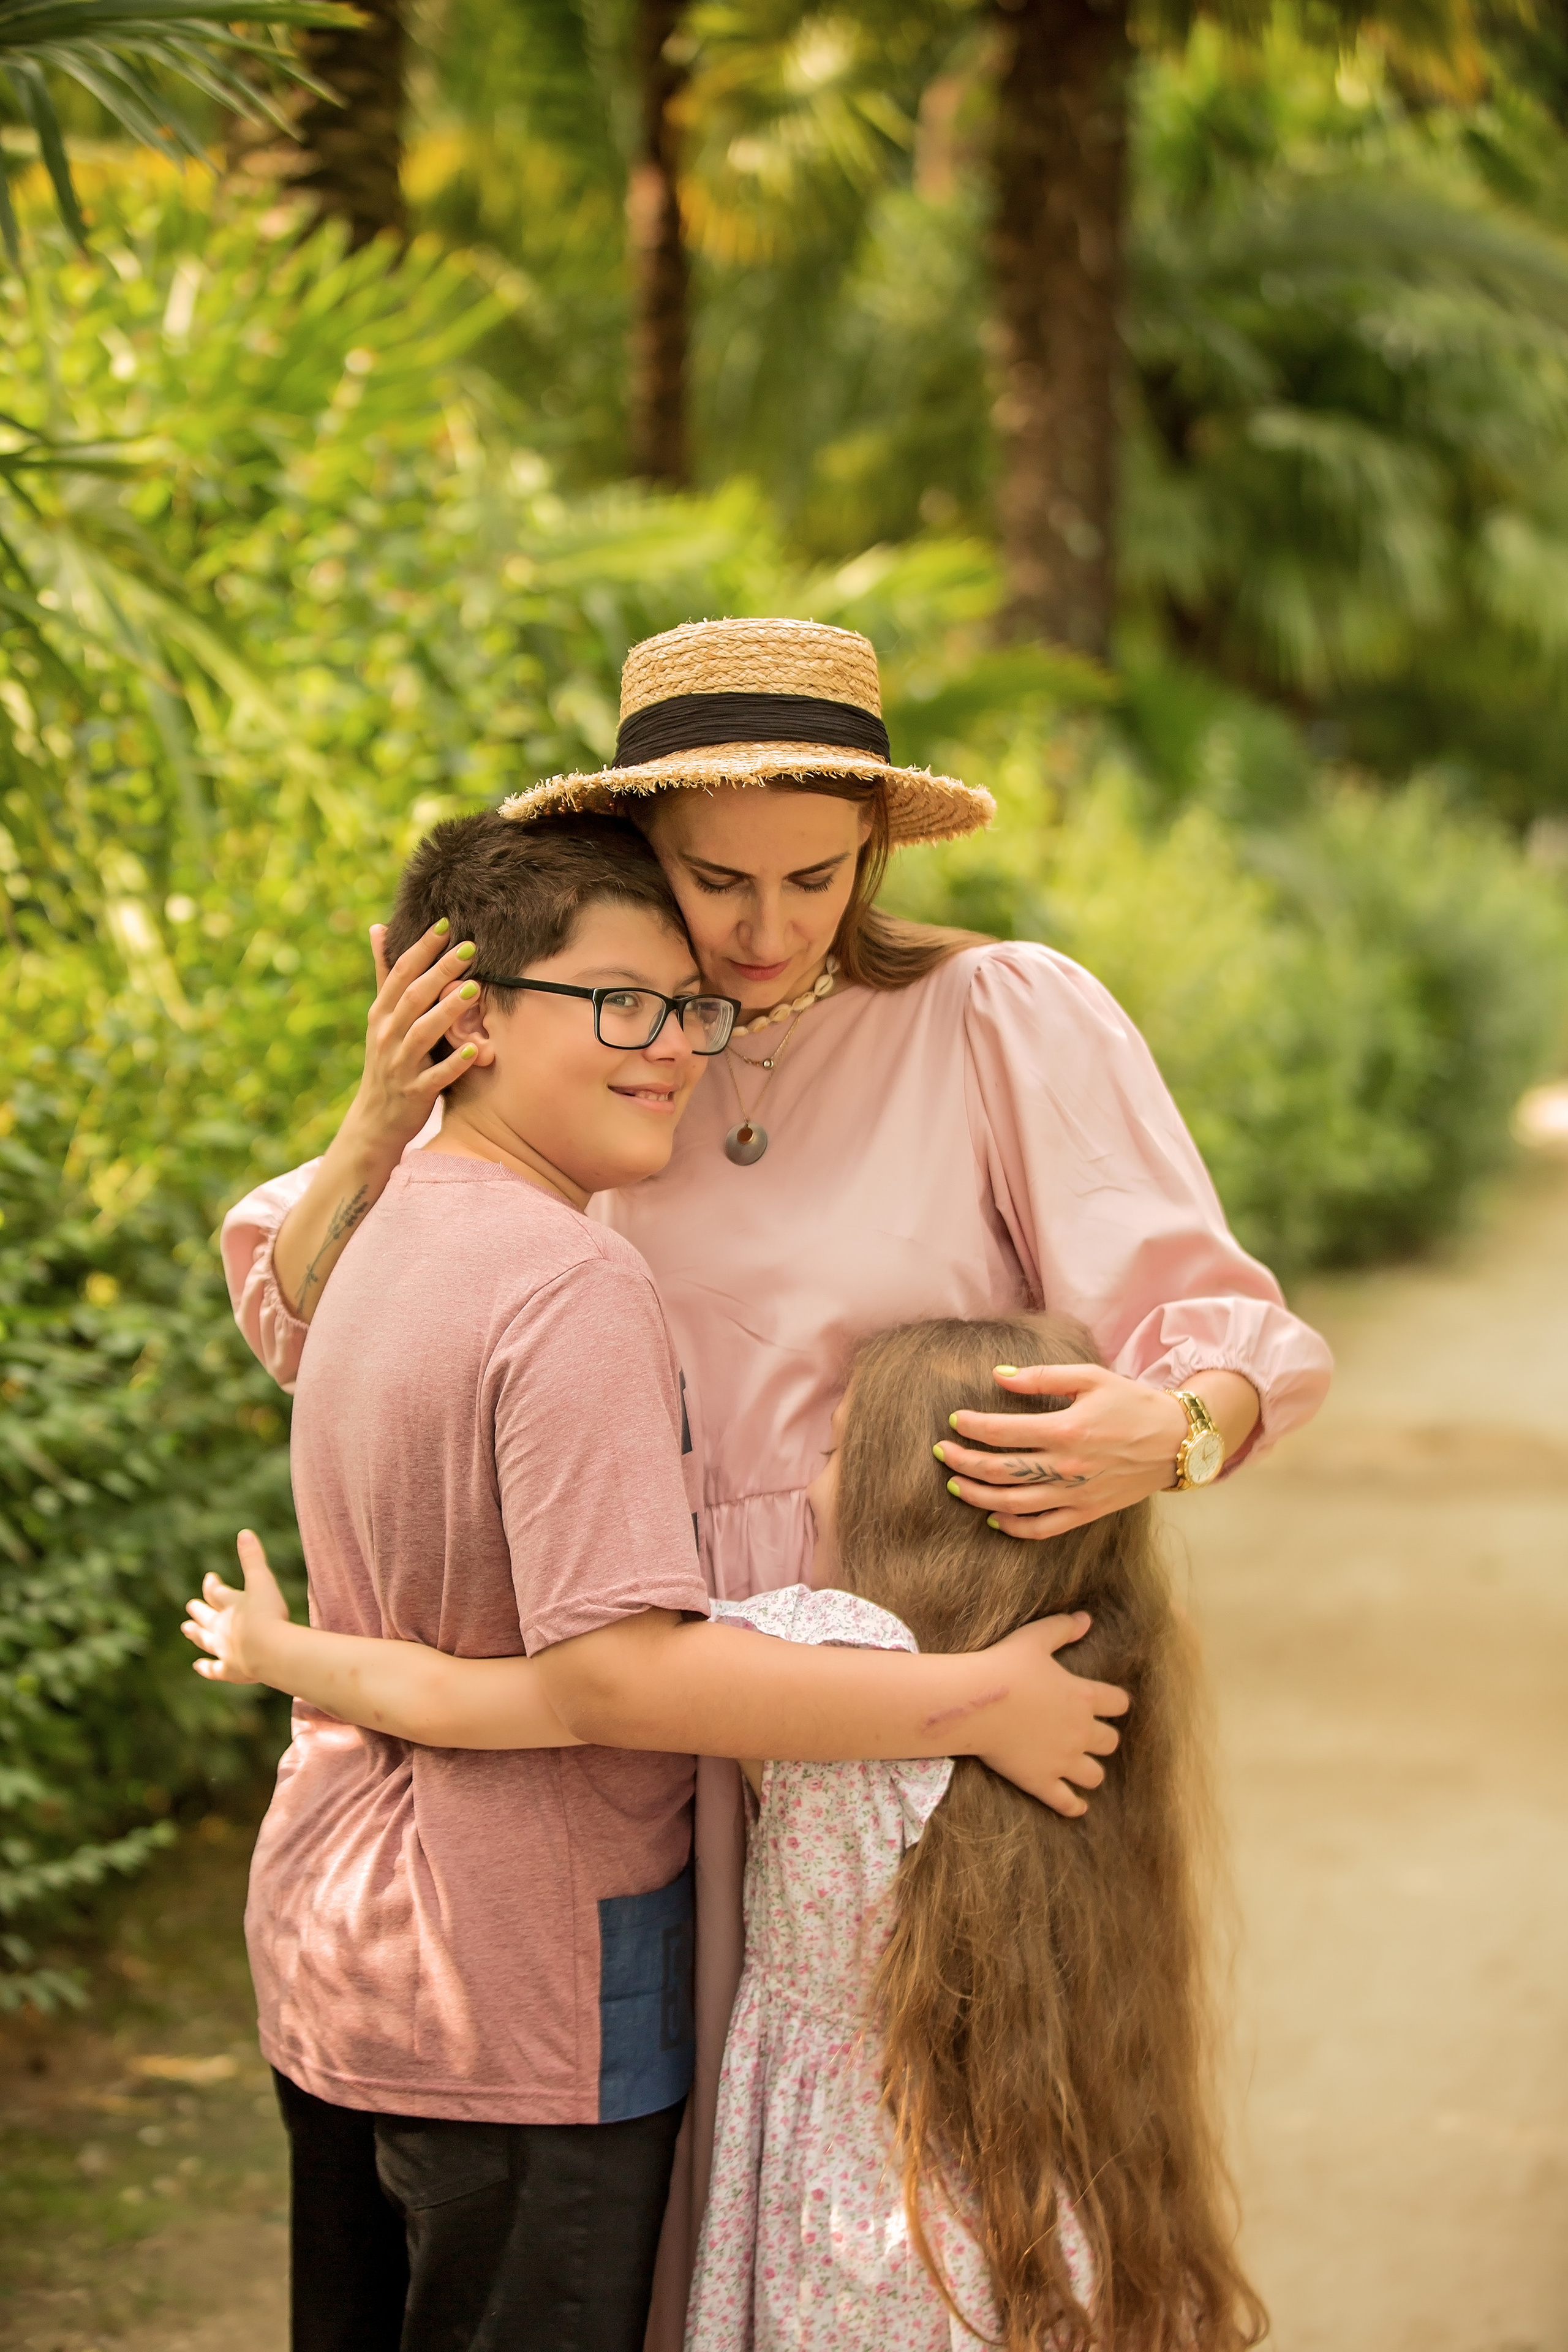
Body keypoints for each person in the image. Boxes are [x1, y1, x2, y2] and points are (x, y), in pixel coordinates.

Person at [219, 615, 1332, 2337]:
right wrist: (376, 1122)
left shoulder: (996, 1016)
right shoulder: (609, 1037)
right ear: (636, 857)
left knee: (923, 2230)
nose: (758, 931)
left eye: (812, 878)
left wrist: (1175, 1429)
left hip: (914, 1725)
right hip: (646, 1707)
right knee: (671, 2214)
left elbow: (1224, 1326)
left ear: (875, 850)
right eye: (711, 879)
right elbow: (322, 1317)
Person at [186, 1312, 1260, 2352]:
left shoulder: (809, 1657)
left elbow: (474, 1701)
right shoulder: (1089, 1665)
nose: (811, 1478)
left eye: (835, 1448)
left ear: (895, 1491)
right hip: (1022, 2187)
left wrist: (274, 1649)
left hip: (841, 2189)